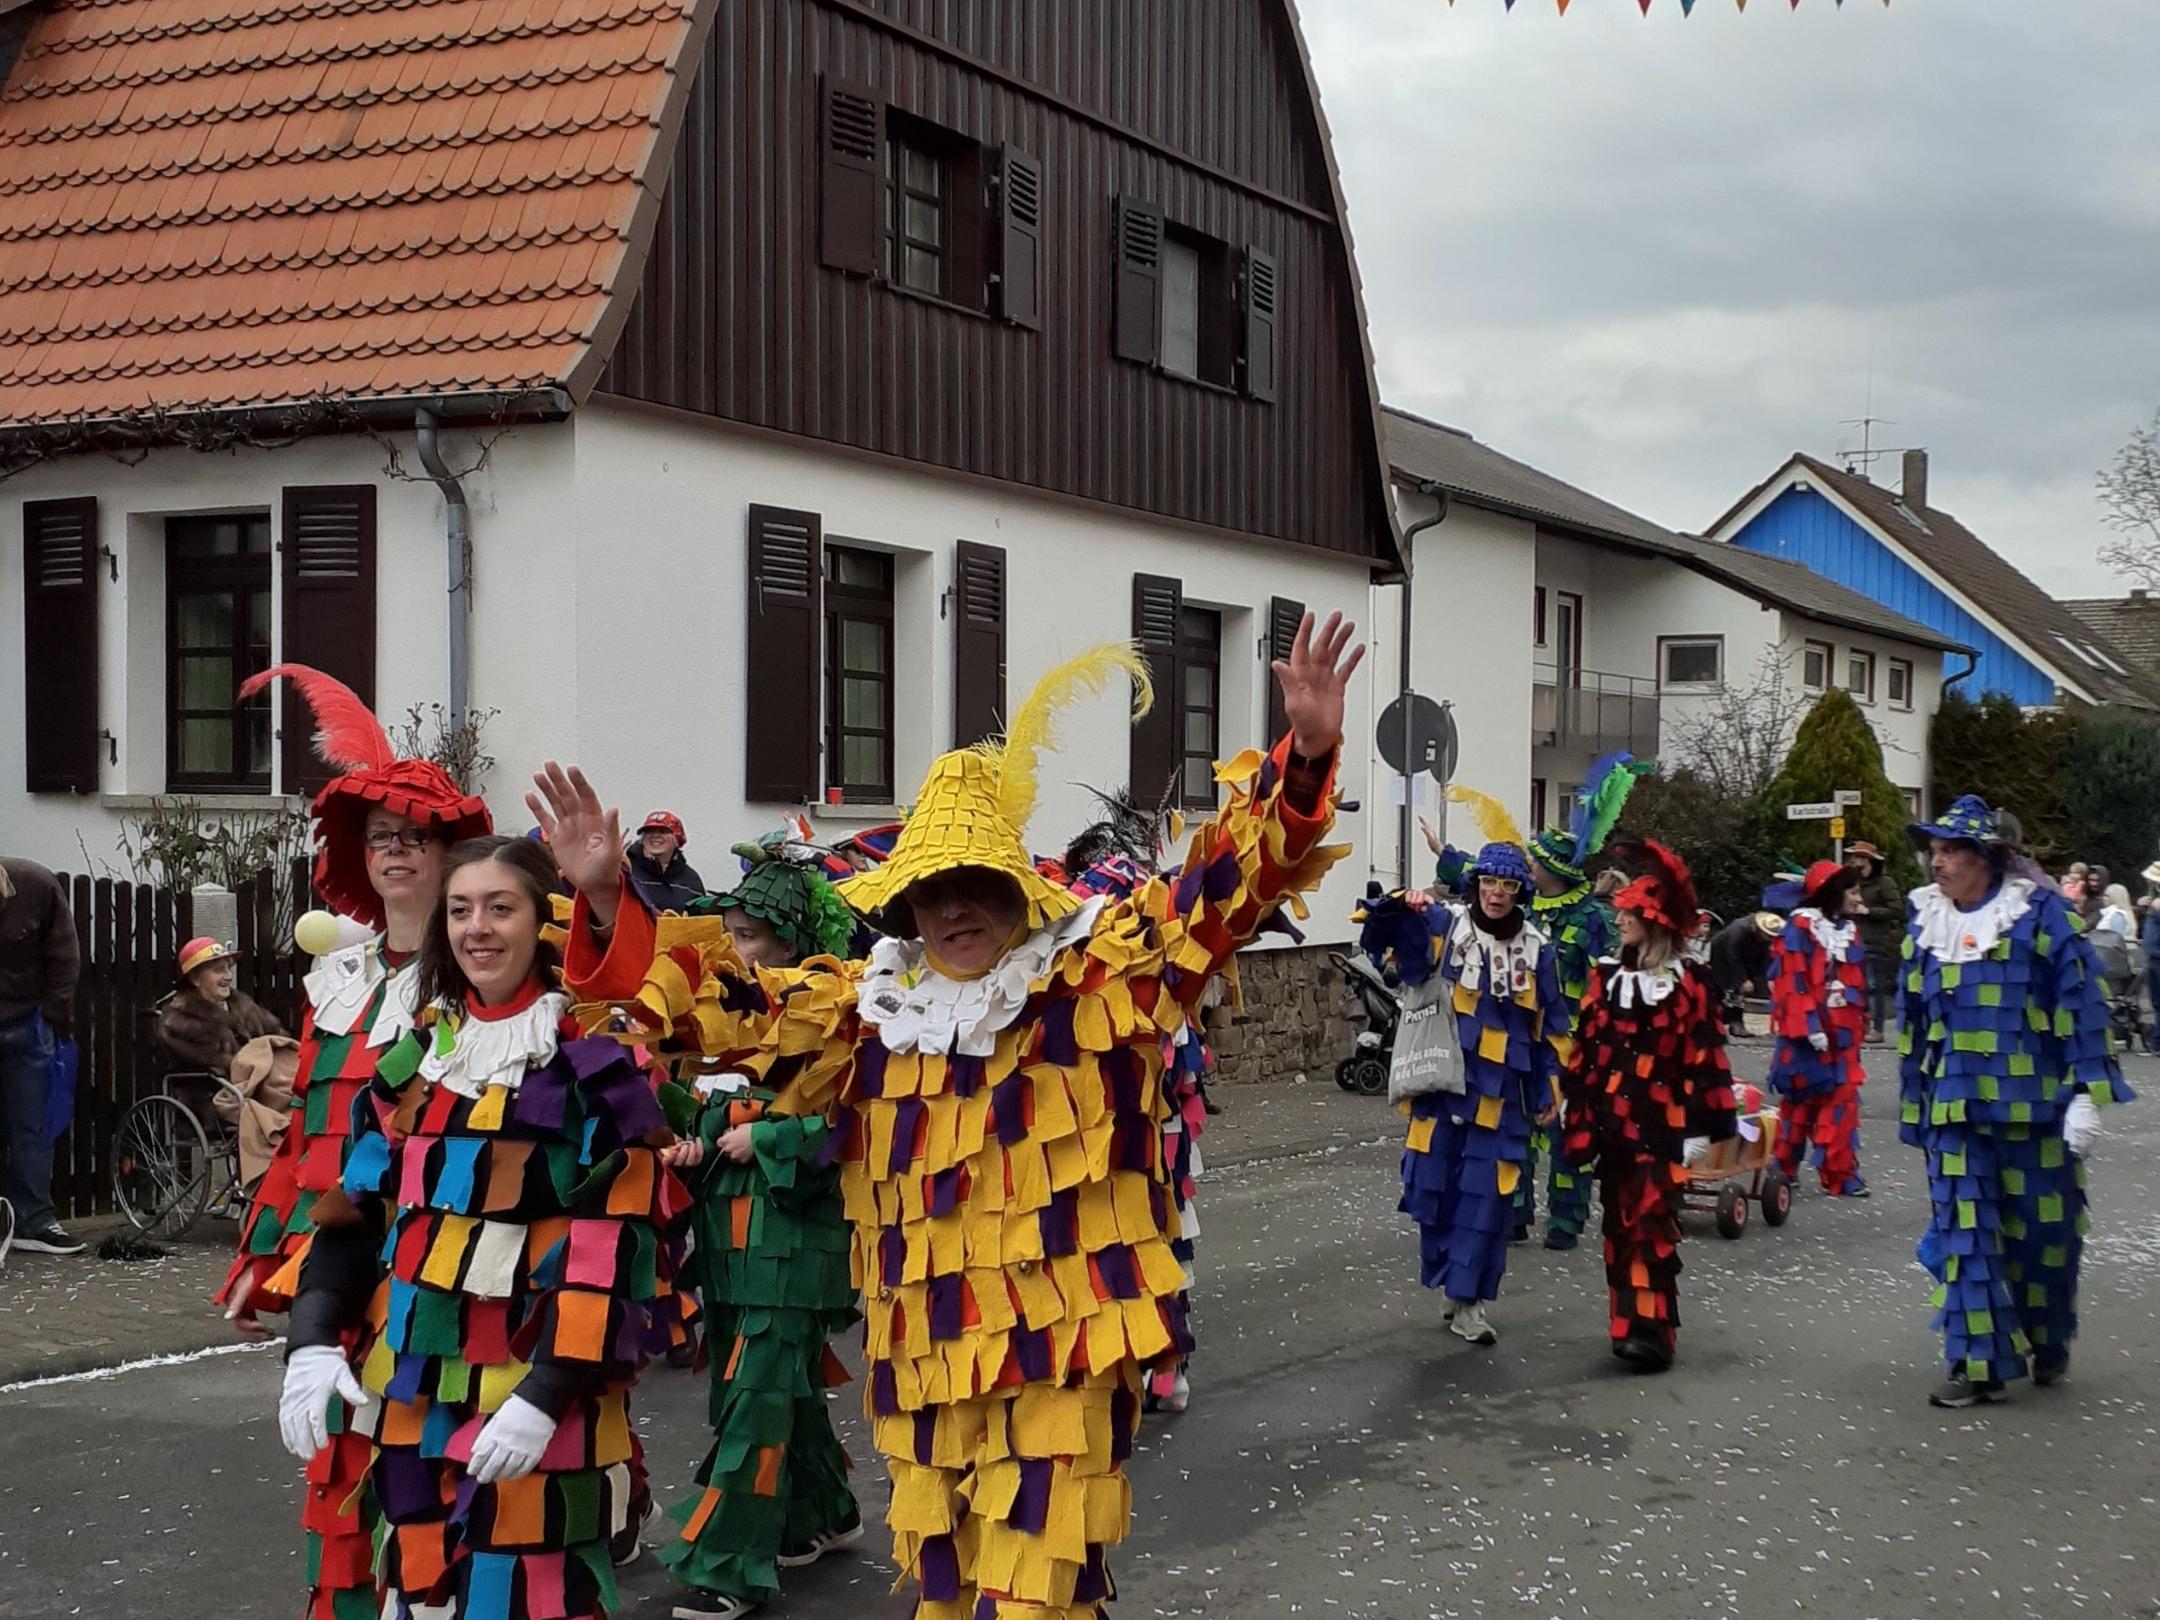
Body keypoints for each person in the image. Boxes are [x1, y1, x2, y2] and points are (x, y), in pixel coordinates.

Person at [536, 618, 1362, 1620]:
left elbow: (1220, 892)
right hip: (925, 1360)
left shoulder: (1100, 974)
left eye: (971, 883)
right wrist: (610, 900)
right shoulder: (868, 1005)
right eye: (928, 889)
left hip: (1060, 1357)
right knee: (948, 1592)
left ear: (1015, 886)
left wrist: (1305, 756)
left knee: (1036, 1597)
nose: (949, 908)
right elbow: (718, 1013)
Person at [278, 836, 682, 1620]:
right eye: (461, 909)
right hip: (413, 1385)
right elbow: (357, 1211)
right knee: (419, 1589)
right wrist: (313, 1334)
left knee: (527, 1592)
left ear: (542, 923)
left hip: (536, 1389)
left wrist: (546, 1392)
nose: (478, 928)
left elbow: (613, 1246)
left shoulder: (591, 1061)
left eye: (501, 907)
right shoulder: (417, 1057)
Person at [216, 663, 493, 1620]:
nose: (398, 854)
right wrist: (264, 1255)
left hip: (442, 1260)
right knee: (340, 1471)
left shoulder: (490, 973)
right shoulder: (340, 980)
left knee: (438, 1473)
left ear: (454, 849)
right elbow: (308, 1136)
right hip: (334, 1255)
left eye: (417, 836)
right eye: (382, 838)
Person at [657, 837, 864, 1620]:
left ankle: (725, 1566)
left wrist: (770, 1138)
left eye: (747, 937)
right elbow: (705, 1105)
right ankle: (824, 1512)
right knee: (775, 1387)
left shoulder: (836, 1012)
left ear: (791, 943)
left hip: (794, 1238)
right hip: (727, 1234)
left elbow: (855, 1124)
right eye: (731, 934)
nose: (733, 950)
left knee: (758, 1394)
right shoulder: (724, 1012)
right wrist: (692, 1139)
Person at [1899, 796, 2134, 1408]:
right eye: (1935, 850)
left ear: (1986, 859)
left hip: (2035, 1108)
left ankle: (2048, 1338)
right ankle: (1978, 1365)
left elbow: (2082, 1003)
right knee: (1966, 1237)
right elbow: (1915, 1020)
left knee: (2042, 1242)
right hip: (1955, 1110)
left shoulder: (2042, 916)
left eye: (1951, 851)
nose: (1937, 863)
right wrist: (1915, 1104)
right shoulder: (1924, 921)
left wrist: (2086, 1093)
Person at [1372, 805, 1568, 1348]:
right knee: (1430, 1190)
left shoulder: (1538, 951)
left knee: (1488, 1199)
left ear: (1520, 892)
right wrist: (1406, 911)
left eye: (1507, 884)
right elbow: (1404, 965)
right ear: (1476, 884)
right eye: (1488, 882)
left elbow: (1552, 1025)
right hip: (1441, 1089)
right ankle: (1450, 1280)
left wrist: (1552, 1088)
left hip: (1503, 1099)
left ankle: (1470, 1300)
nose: (1496, 893)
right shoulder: (1446, 926)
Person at [1561, 841, 1738, 1373]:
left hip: (1665, 1127)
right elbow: (1587, 1052)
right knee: (1618, 1226)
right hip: (1614, 1123)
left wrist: (1708, 1130)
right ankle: (1626, 1323)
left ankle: (1653, 1332)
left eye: (1629, 915)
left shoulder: (1688, 984)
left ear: (1653, 922)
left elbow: (1705, 1060)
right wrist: (1578, 1114)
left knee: (1651, 1226)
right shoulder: (1607, 977)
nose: (1620, 921)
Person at [1764, 862, 1870, 1197]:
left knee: (1841, 1104)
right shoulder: (1801, 926)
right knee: (1799, 1104)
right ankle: (1783, 1169)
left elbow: (1856, 979)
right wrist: (1808, 1026)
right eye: (1852, 891)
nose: (1858, 898)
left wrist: (1858, 1021)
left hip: (1843, 1037)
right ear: (1834, 894)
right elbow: (1790, 979)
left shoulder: (1849, 931)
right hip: (1807, 1037)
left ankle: (1841, 1174)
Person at [0, 856, 83, 1256]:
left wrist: (51, 1015)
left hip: (26, 1025)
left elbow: (64, 957)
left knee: (33, 1127)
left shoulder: (36, 885)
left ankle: (33, 1221)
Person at [158, 937, 286, 1075]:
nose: (229, 976)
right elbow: (216, 1066)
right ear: (195, 978)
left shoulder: (244, 1007)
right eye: (219, 970)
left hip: (258, 1082)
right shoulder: (178, 1022)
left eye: (228, 968)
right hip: (210, 1092)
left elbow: (279, 1039)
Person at [1845, 842, 1905, 1041]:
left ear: (1867, 860)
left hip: (1877, 941)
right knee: (1857, 984)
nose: (1853, 861)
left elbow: (1897, 910)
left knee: (1874, 986)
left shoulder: (1884, 883)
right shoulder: (1854, 883)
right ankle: (1861, 1026)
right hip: (1855, 938)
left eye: (1857, 857)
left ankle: (1877, 1029)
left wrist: (1869, 911)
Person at [1706, 910, 1780, 1036]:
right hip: (1722, 956)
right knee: (1723, 990)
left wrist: (1766, 979)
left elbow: (1763, 959)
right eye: (1768, 936)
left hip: (1745, 957)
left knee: (1739, 994)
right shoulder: (1740, 929)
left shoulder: (1763, 938)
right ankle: (1715, 1024)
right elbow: (1733, 955)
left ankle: (1735, 1023)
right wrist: (1742, 979)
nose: (1770, 939)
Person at [629, 811, 709, 912]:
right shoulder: (627, 869)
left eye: (663, 831)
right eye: (649, 831)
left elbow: (699, 920)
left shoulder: (691, 879)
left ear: (677, 838)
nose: (655, 836)